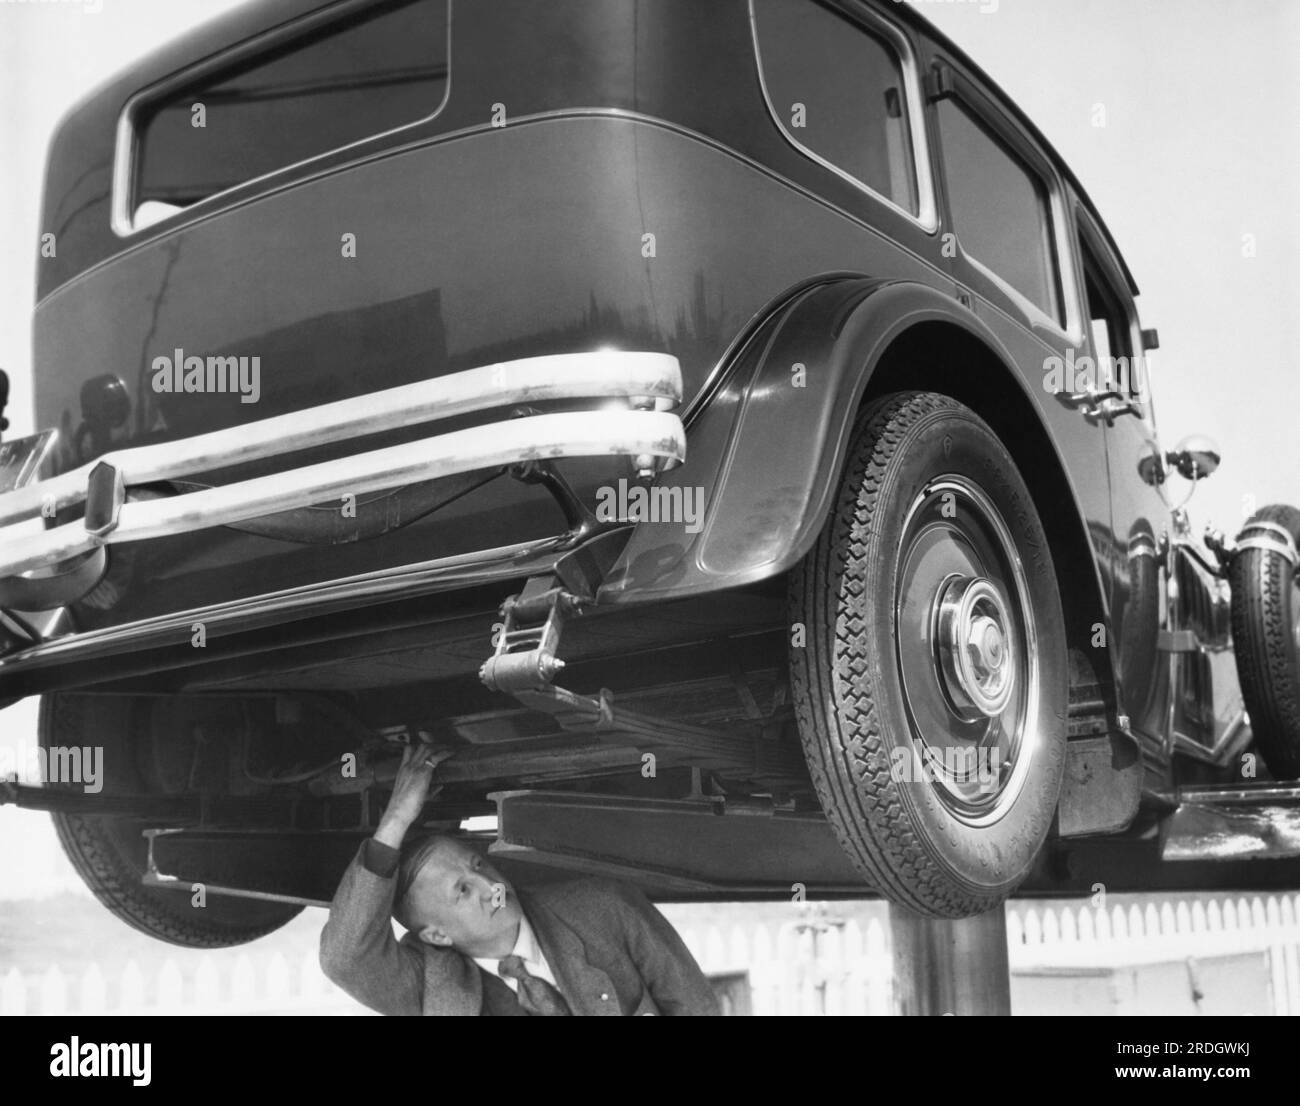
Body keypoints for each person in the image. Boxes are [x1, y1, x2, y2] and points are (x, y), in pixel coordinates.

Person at [320, 742, 720, 1015]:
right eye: (462, 891)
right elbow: (344, 958)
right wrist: (395, 820)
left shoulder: (606, 908)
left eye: (476, 866)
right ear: (437, 936)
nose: (489, 886)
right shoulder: (428, 982)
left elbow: (696, 1008)